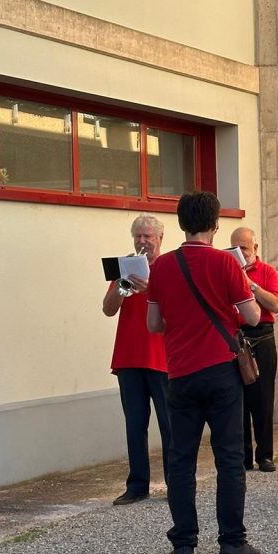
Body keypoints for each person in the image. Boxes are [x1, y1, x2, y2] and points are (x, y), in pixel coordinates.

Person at [147, 192, 261, 554]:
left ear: (181, 223)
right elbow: (253, 316)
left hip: (179, 371)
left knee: (180, 460)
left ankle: (183, 545)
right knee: (229, 457)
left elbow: (154, 324)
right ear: (215, 225)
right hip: (221, 368)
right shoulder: (226, 264)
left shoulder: (162, 266)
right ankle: (231, 542)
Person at [103, 214, 172, 506]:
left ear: (159, 240)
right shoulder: (124, 270)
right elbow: (107, 310)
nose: (142, 242)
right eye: (138, 237)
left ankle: (176, 483)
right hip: (129, 356)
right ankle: (137, 485)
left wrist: (150, 289)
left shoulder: (168, 270)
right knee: (134, 424)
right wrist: (121, 287)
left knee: (171, 425)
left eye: (148, 236)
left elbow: (178, 314)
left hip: (162, 358)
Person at [230, 227, 278, 472]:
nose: (240, 253)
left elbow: (275, 304)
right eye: (235, 248)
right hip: (235, 337)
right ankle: (242, 457)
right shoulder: (226, 270)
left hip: (261, 336)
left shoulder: (267, 271)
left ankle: (265, 455)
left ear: (255, 249)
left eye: (244, 248)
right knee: (236, 400)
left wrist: (250, 284)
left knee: (263, 398)